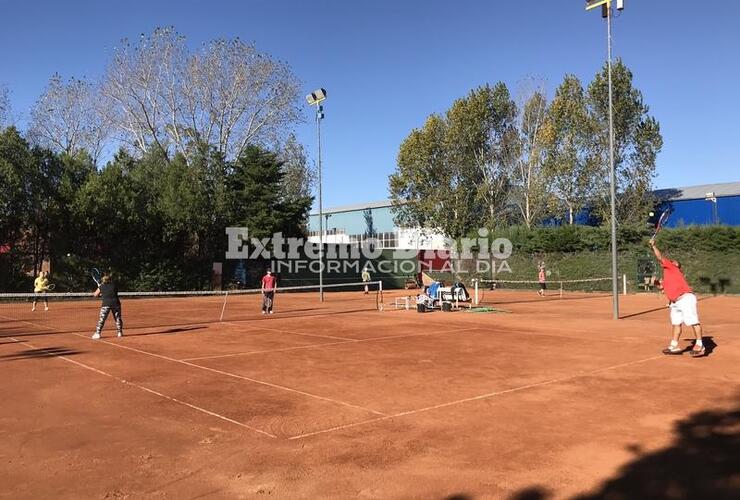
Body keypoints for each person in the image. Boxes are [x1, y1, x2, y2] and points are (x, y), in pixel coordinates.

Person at [649, 239, 704, 357]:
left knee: (693, 322)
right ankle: (674, 345)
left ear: (676, 265)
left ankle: (700, 344)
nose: (670, 261)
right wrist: (655, 283)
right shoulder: (668, 275)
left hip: (686, 299)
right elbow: (661, 287)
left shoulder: (673, 268)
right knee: (676, 323)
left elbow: (659, 257)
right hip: (675, 303)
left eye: (673, 261)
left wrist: (653, 246)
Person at [92, 274, 123, 339]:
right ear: (110, 280)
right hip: (116, 304)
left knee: (102, 319)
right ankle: (120, 332)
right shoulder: (114, 286)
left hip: (106, 304)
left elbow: (95, 294)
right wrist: (102, 292)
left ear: (103, 280)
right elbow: (111, 292)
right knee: (118, 319)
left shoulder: (101, 286)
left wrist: (100, 290)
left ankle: (97, 333)